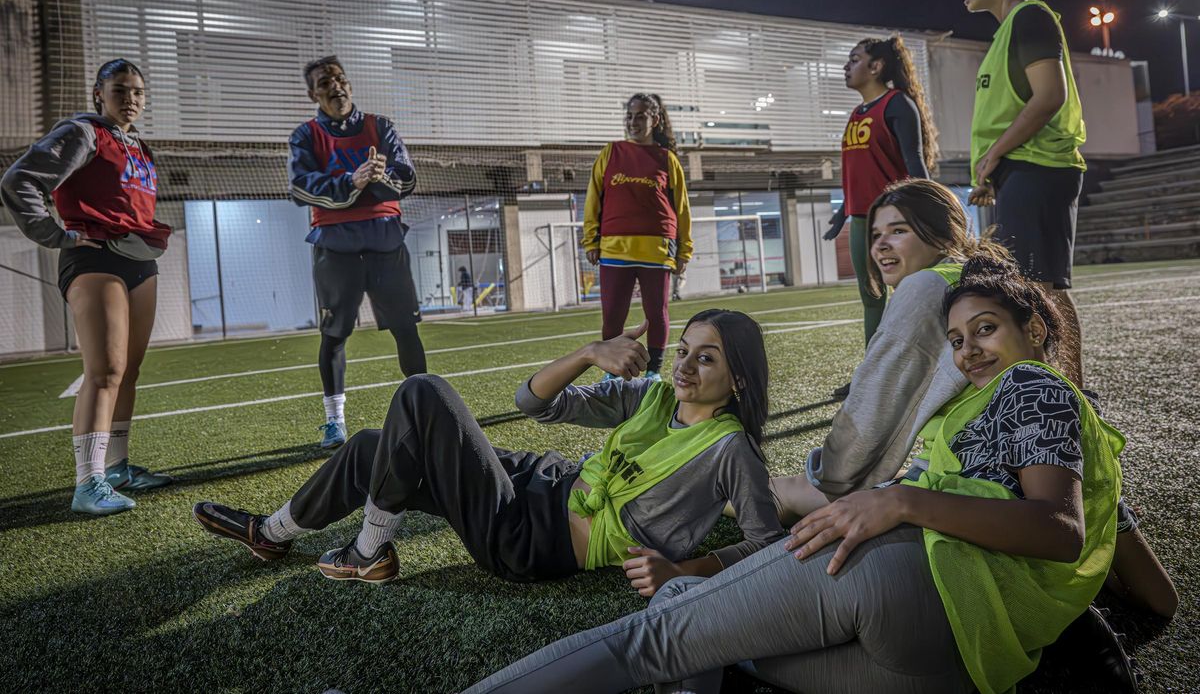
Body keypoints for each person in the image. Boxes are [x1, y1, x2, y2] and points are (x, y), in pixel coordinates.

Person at [462, 255, 1129, 694]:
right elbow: (1119, 565)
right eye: (956, 340)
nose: (969, 350)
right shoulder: (1031, 414)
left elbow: (1059, 529)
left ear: (1036, 327)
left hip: (904, 579)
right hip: (953, 659)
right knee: (697, 642)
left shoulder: (1031, 386)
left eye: (986, 328)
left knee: (651, 638)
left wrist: (900, 499)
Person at [774, 179, 1177, 619]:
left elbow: (870, 409)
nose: (881, 246)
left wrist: (835, 482)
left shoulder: (925, 287)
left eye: (899, 230)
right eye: (875, 234)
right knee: (1158, 600)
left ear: (943, 233)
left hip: (983, 480)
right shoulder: (982, 283)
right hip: (1054, 459)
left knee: (785, 496)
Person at [193, 310, 783, 589]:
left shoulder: (730, 451)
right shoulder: (651, 395)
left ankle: (370, 549)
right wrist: (585, 355)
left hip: (534, 540)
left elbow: (765, 546)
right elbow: (535, 403)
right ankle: (270, 534)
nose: (684, 365)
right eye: (683, 350)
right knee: (374, 446)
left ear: (738, 381)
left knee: (423, 393)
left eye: (705, 357)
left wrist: (683, 568)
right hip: (538, 480)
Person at [1, 59, 172, 515]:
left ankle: (116, 467)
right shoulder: (82, 132)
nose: (130, 98)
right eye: (120, 90)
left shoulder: (137, 145)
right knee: (105, 371)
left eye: (137, 91)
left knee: (129, 372)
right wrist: (57, 235)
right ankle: (88, 482)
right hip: (94, 257)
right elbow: (18, 180)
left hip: (139, 260)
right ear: (98, 93)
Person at [958, 0, 1087, 386]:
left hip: (1042, 168)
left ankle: (1074, 390)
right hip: (1020, 171)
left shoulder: (1032, 17)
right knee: (1030, 289)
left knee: (1045, 287)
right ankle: (1047, 383)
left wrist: (994, 155)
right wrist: (993, 171)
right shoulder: (1003, 35)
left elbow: (1049, 96)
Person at [288, 56, 426, 449]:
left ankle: (424, 410)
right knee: (335, 335)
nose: (336, 85)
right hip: (336, 246)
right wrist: (352, 180)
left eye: (340, 78)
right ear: (312, 92)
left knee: (406, 328)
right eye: (324, 81)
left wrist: (381, 178)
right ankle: (334, 422)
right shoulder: (304, 136)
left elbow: (407, 175)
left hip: (385, 240)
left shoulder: (380, 127)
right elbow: (301, 188)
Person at [824, 35, 939, 399]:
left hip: (898, 220)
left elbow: (915, 164)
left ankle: (931, 369)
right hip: (862, 221)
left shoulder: (897, 104)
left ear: (876, 67)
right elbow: (856, 173)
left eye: (854, 59)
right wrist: (843, 212)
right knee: (871, 297)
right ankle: (873, 376)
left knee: (916, 297)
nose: (847, 66)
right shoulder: (855, 114)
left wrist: (932, 214)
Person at [583, 93, 692, 381]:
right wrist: (591, 239)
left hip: (656, 249)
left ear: (654, 120)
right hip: (614, 248)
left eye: (641, 116)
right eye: (630, 116)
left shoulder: (666, 159)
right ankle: (613, 370)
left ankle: (654, 371)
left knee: (656, 312)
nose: (634, 121)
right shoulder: (611, 153)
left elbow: (681, 208)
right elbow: (593, 198)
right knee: (613, 315)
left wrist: (684, 251)